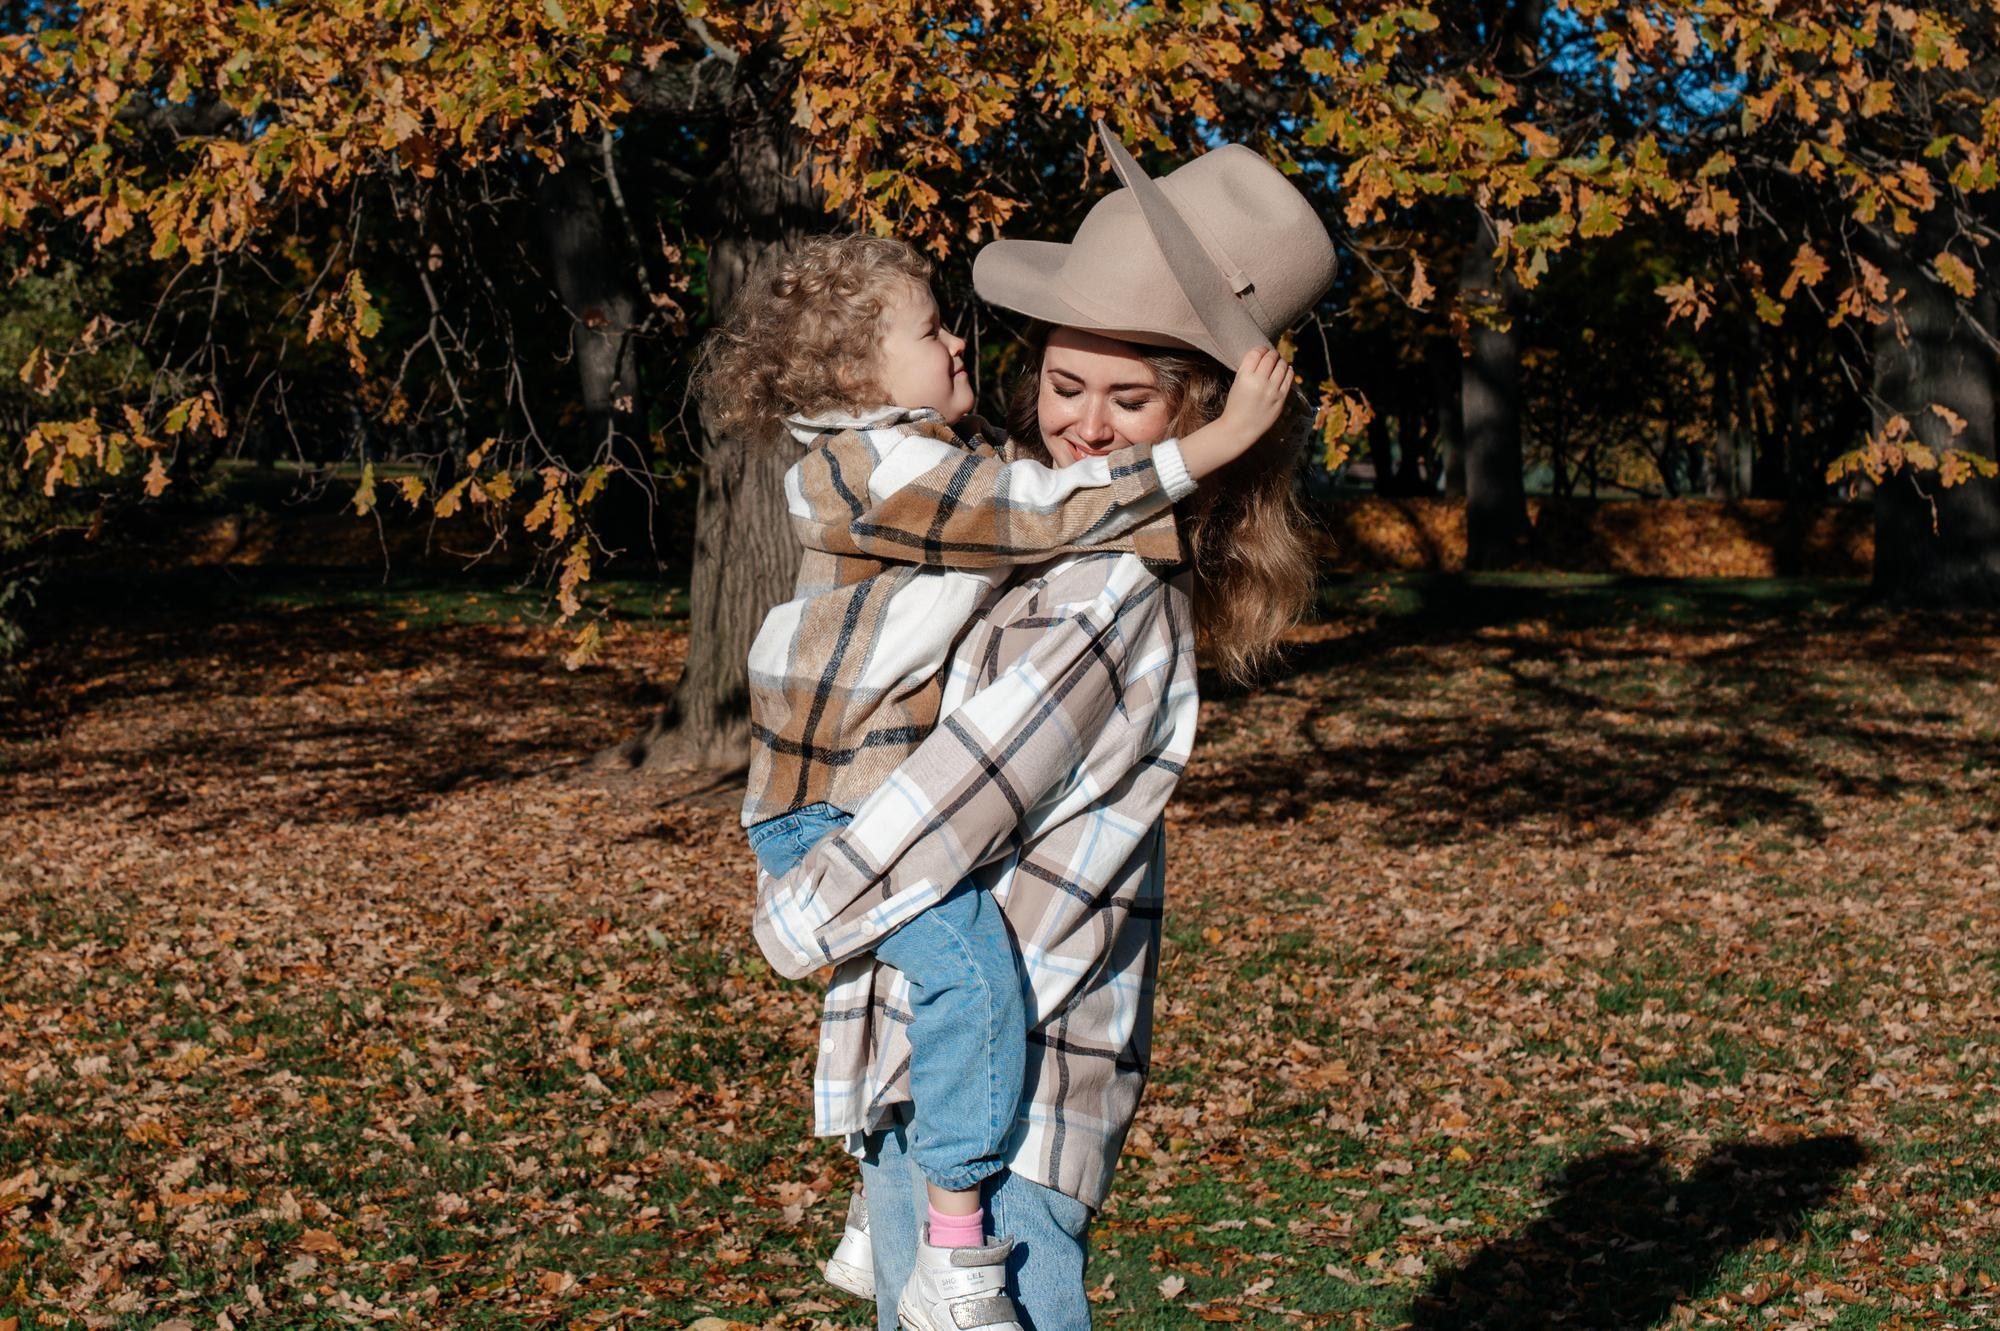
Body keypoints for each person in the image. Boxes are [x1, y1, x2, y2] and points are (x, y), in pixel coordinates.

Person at [754, 125, 1337, 1328]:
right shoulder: (1031, 533)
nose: (1084, 426)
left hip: (1010, 1096)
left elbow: (949, 803)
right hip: (948, 1065)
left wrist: (796, 904)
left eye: (1131, 400)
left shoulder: (1103, 588)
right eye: (1066, 387)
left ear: (1202, 421)